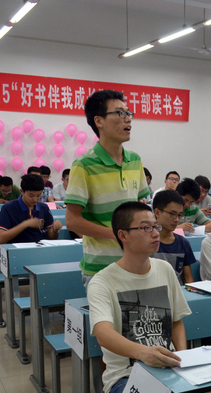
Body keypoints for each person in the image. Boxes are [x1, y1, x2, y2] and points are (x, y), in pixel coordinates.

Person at [87, 201, 191, 393]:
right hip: (125, 376)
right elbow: (103, 333)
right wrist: (143, 353)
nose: (155, 233)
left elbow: (176, 322)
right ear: (123, 235)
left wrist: (183, 358)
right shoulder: (102, 282)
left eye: (155, 226)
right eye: (145, 228)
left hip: (169, 365)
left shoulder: (164, 269)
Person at [65, 89, 150, 282]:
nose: (128, 119)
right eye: (120, 113)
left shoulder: (135, 160)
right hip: (100, 269)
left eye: (128, 113)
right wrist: (118, 234)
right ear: (99, 121)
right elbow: (72, 221)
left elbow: (139, 207)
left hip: (136, 263)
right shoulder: (83, 165)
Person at [0, 174, 63, 244]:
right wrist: (25, 224)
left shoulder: (43, 207)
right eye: (31, 195)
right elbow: (0, 239)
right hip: (17, 248)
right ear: (22, 191)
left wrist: (55, 230)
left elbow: (52, 238)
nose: (35, 199)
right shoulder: (8, 208)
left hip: (40, 247)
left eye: (38, 195)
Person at [151, 190, 196, 285]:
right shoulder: (145, 242)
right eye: (172, 214)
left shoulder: (183, 243)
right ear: (157, 213)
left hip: (177, 291)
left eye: (179, 215)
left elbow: (188, 279)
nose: (176, 220)